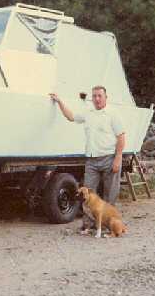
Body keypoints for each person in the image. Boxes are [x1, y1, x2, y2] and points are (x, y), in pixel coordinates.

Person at [49, 86, 125, 232]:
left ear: (105, 98)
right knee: (87, 196)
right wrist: (59, 101)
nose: (97, 99)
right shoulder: (88, 114)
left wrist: (118, 158)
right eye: (94, 96)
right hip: (91, 161)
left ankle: (109, 227)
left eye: (100, 96)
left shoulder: (113, 114)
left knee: (110, 196)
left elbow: (121, 137)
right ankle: (88, 226)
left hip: (109, 158)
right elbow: (70, 116)